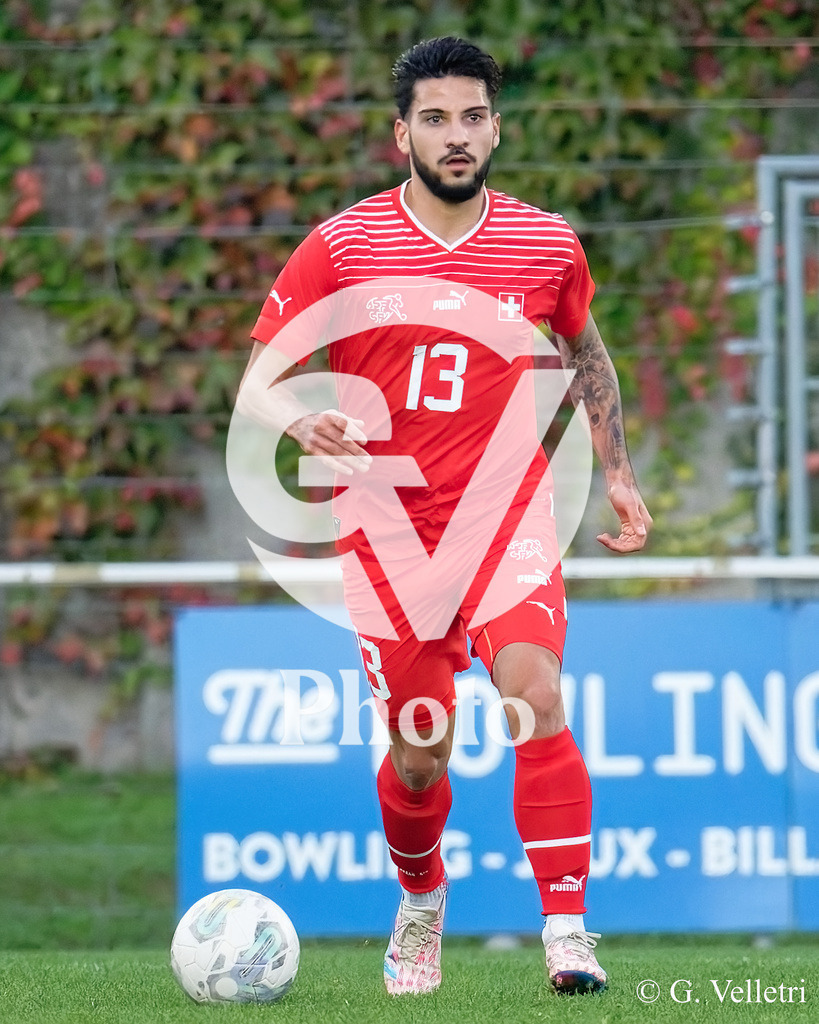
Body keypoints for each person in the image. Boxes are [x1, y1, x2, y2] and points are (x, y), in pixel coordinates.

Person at [238, 36, 651, 997]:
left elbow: (587, 355)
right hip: (389, 536)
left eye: (472, 118)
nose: (456, 136)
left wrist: (620, 471)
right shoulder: (342, 245)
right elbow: (258, 381)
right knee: (420, 754)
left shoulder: (546, 242)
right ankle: (420, 899)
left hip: (505, 522)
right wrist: (304, 417)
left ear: (495, 128)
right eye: (435, 119)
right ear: (401, 135)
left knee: (534, 694)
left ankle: (566, 931)